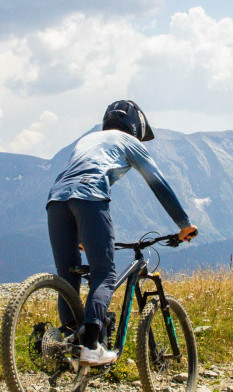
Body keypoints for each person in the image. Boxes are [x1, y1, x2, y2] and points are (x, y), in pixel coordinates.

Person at [46, 100, 198, 367]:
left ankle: (68, 344)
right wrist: (183, 224)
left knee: (69, 279)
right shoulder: (129, 142)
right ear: (135, 127)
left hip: (56, 201)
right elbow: (157, 182)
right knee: (105, 274)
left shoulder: (88, 139)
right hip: (90, 196)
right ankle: (91, 346)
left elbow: (75, 179)